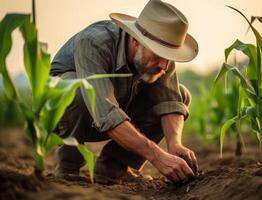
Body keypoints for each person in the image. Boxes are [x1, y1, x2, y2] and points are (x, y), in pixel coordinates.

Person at [51, 0, 199, 184]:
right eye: (159, 55)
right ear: (136, 40)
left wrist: (175, 143)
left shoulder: (161, 59)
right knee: (80, 90)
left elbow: (170, 102)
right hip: (66, 114)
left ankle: (112, 167)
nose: (165, 65)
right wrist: (157, 157)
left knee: (181, 95)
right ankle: (68, 166)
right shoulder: (94, 42)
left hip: (115, 111)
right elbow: (105, 113)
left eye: (168, 57)